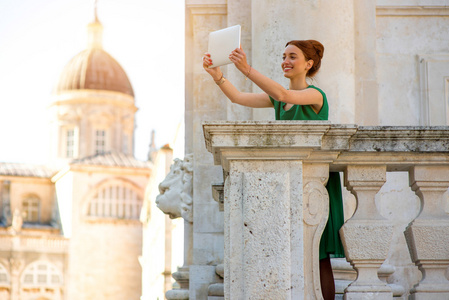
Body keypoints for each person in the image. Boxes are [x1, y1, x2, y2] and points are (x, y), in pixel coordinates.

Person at [203, 39, 345, 300]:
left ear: (309, 64)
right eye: (284, 56)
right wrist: (218, 76)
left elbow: (284, 94)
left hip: (316, 183)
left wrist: (247, 69)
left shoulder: (315, 95)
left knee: (319, 255)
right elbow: (237, 97)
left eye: (293, 57)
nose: (285, 61)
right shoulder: (277, 100)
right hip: (287, 180)